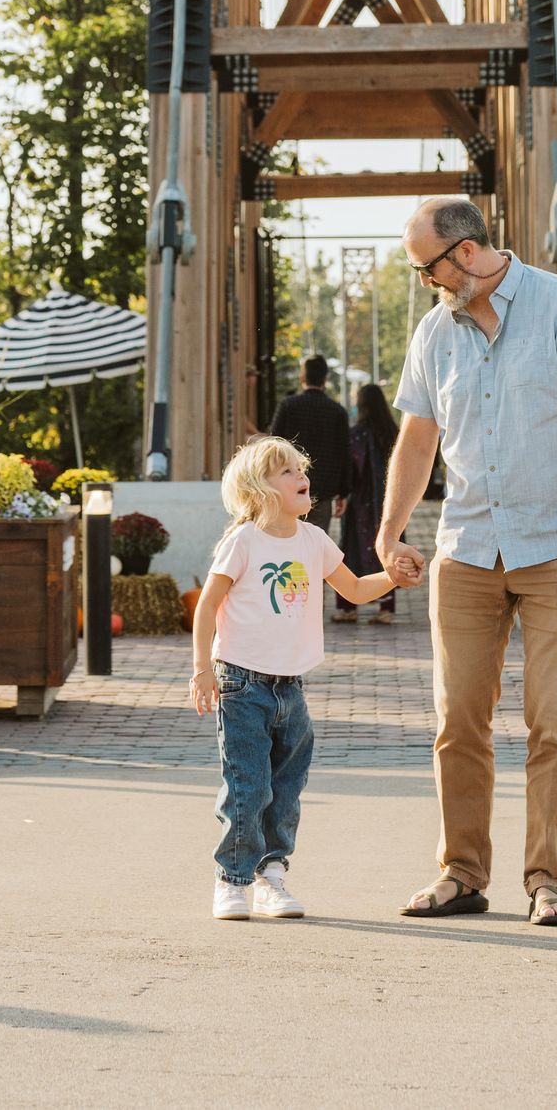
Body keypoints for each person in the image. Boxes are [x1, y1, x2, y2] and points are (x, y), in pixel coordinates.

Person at [376, 196, 557, 929]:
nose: (426, 283)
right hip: (467, 552)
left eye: (428, 268)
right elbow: (417, 441)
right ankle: (461, 874)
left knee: (555, 724)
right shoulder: (434, 332)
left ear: (466, 252)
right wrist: (389, 533)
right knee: (458, 723)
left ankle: (551, 881)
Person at [189, 435, 405, 920]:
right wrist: (202, 670)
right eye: (286, 471)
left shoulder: (313, 539)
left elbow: (354, 589)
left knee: (285, 789)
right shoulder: (243, 541)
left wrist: (394, 576)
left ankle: (271, 877)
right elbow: (206, 608)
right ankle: (232, 881)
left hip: (291, 688)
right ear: (259, 490)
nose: (301, 476)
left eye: (300, 468)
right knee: (248, 786)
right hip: (241, 685)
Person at [331, 382, 400, 626]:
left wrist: (342, 494)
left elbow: (349, 468)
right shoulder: (393, 432)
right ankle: (386, 608)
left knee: (352, 551)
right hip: (389, 502)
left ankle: (347, 607)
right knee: (387, 548)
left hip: (360, 502)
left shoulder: (356, 434)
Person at [270, 354, 351, 534]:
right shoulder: (337, 412)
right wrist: (343, 493)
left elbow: (273, 444)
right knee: (316, 541)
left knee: (287, 538)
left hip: (287, 486)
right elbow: (345, 454)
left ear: (302, 377)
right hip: (323, 490)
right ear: (325, 379)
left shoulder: (288, 406)